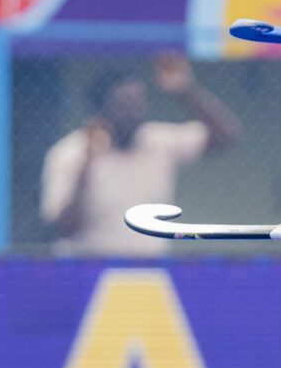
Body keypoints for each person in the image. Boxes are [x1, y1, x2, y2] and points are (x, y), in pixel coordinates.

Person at [40, 55, 241, 256]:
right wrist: (88, 163)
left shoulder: (158, 141)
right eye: (124, 106)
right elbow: (63, 228)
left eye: (138, 104)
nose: (134, 114)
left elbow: (225, 136)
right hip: (89, 269)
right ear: (99, 111)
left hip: (149, 268)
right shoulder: (69, 153)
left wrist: (185, 90)